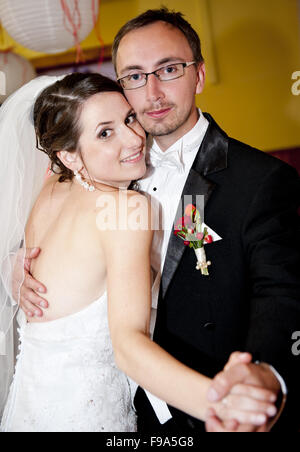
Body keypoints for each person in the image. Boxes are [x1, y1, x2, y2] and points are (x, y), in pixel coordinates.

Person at [17, 8, 300, 432]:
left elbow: (283, 292)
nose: (151, 92)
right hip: (123, 408)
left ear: (198, 75)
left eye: (168, 69)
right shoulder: (104, 164)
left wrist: (265, 372)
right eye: (133, 76)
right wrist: (16, 266)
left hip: (205, 398)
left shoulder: (259, 180)